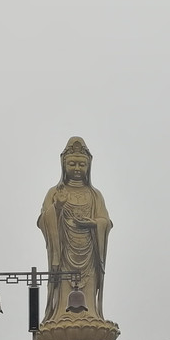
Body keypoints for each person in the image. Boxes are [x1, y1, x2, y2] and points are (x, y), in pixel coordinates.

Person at [36, 136, 113, 326]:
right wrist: (57, 208)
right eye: (72, 164)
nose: (77, 169)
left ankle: (91, 315)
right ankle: (60, 315)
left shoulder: (95, 195)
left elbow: (106, 221)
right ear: (63, 165)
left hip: (89, 254)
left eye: (82, 165)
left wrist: (94, 224)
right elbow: (43, 219)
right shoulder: (54, 192)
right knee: (64, 284)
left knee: (87, 287)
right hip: (63, 253)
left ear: (88, 167)